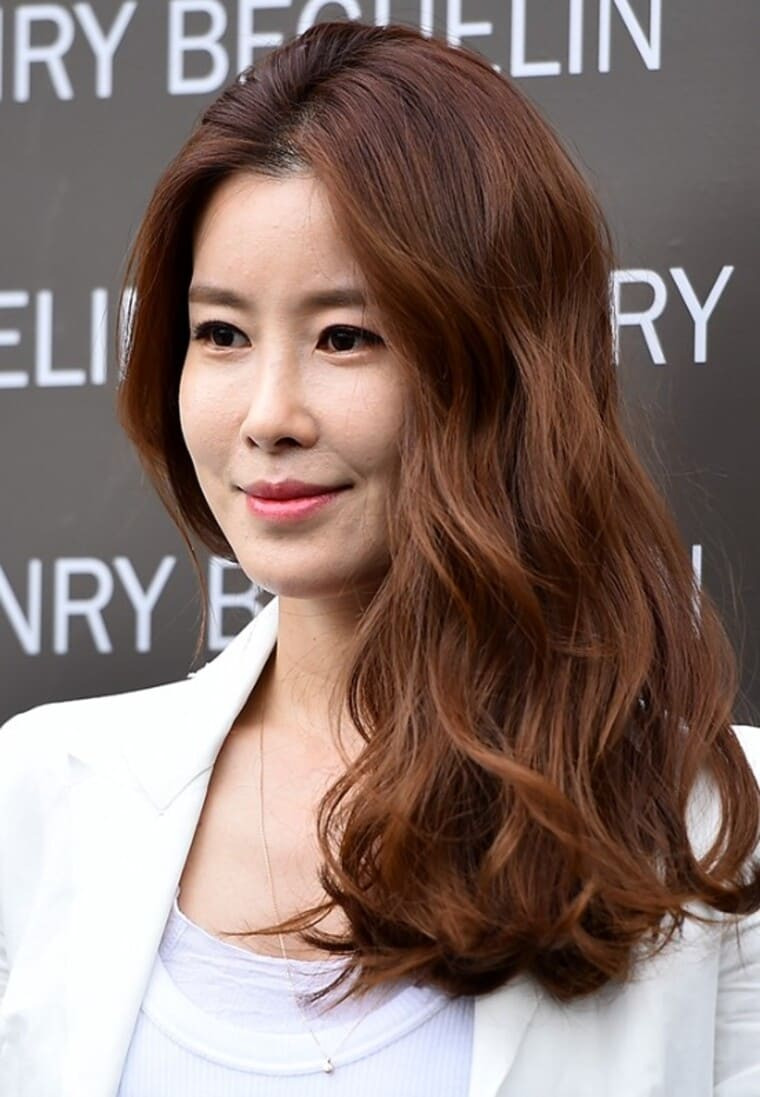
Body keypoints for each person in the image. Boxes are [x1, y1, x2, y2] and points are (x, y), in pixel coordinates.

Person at [1, 18, 759, 1097]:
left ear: (501, 364)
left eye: (346, 337)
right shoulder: (42, 795)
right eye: (221, 334)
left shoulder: (711, 826)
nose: (269, 414)